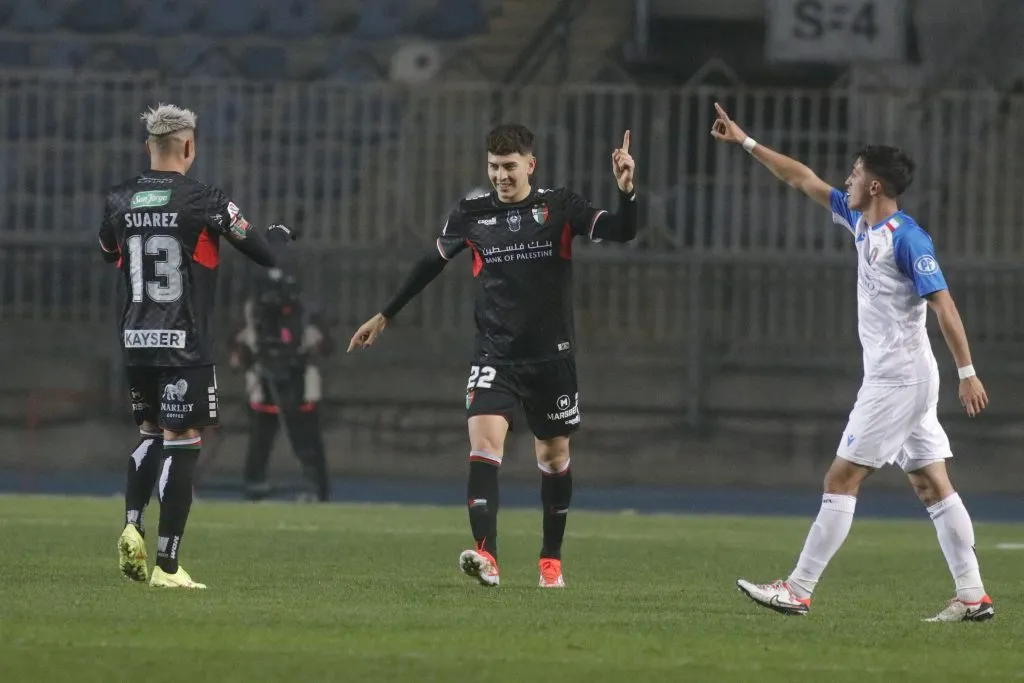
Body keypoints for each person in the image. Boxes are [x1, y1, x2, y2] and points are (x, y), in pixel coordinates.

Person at [710, 102, 994, 622]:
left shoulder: (907, 239)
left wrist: (968, 372)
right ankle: (973, 595)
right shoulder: (860, 220)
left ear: (876, 186)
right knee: (932, 484)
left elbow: (945, 306)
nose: (847, 179)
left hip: (898, 380)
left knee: (840, 479)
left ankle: (797, 589)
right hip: (904, 378)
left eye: (856, 173)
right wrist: (747, 142)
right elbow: (801, 178)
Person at [348, 123, 638, 588]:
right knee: (483, 447)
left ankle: (551, 561)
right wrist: (385, 315)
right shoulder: (472, 213)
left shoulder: (559, 206)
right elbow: (430, 264)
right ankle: (487, 557)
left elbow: (623, 230)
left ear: (530, 165)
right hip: (494, 356)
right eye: (493, 167)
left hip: (550, 359)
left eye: (509, 167)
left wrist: (626, 191)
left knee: (554, 456)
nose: (501, 176)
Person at [100, 103, 295, 588]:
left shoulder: (119, 198)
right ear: (189, 146)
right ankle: (166, 566)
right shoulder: (205, 200)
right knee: (182, 442)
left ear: (148, 146)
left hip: (135, 338)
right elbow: (263, 253)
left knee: (149, 432)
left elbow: (108, 251)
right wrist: (277, 237)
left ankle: (132, 524)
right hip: (183, 341)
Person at [228, 267, 333, 502]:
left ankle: (318, 486)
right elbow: (236, 348)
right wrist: (244, 357)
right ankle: (255, 484)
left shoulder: (305, 312)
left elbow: (326, 346)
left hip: (300, 383)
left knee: (307, 439)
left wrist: (310, 349)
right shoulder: (252, 311)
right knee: (260, 440)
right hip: (262, 383)